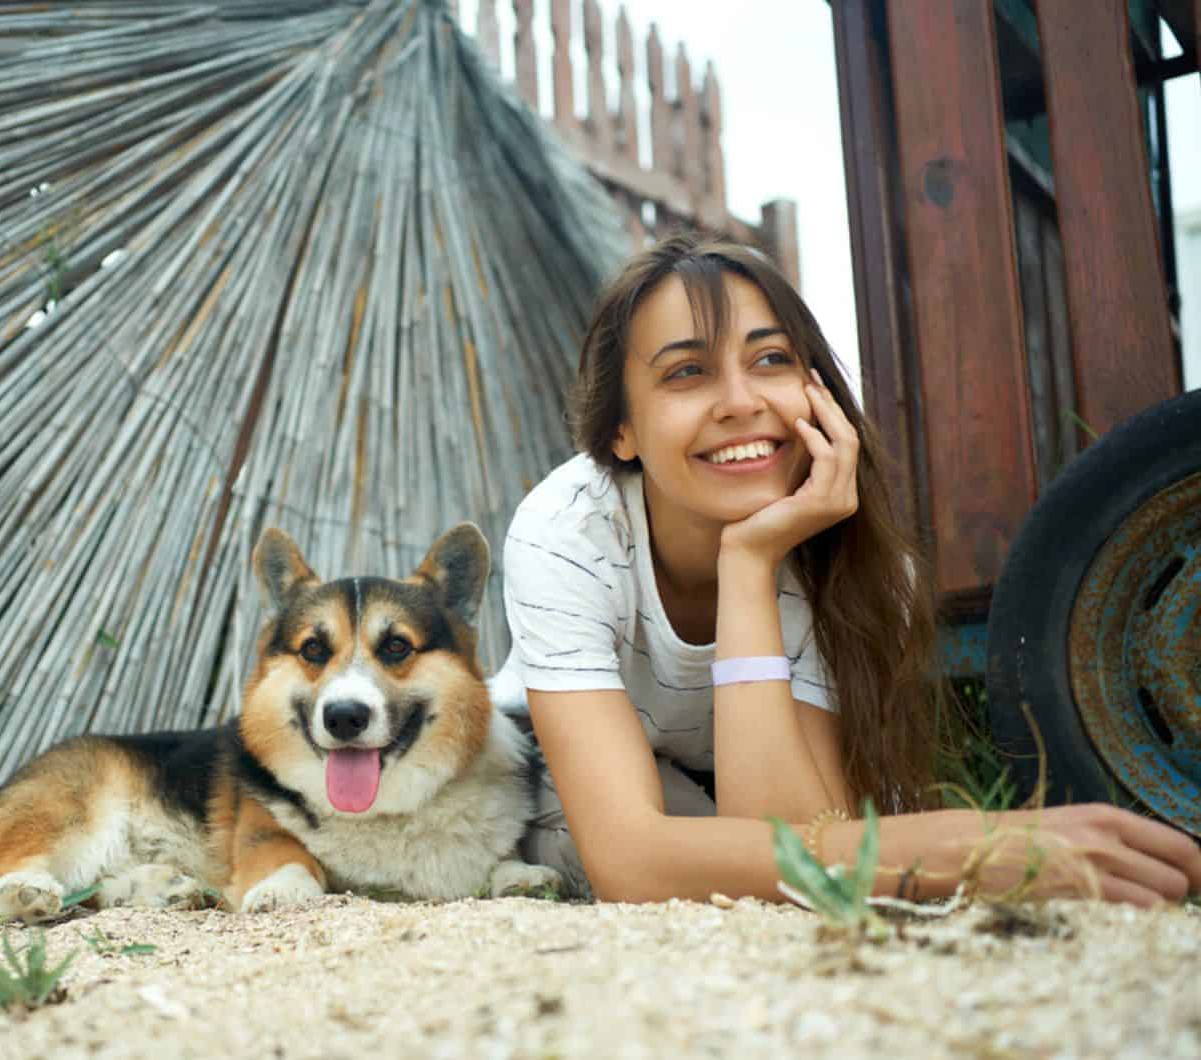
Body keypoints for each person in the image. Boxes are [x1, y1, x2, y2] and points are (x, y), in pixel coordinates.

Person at [499, 233, 1201, 907]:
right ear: (619, 431)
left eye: (770, 360)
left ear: (818, 393)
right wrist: (975, 851)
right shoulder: (565, 535)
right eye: (688, 372)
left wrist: (749, 564)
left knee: (705, 829)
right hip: (554, 777)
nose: (742, 403)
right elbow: (629, 860)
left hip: (710, 794)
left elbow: (802, 835)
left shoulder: (860, 567)